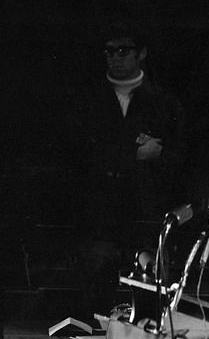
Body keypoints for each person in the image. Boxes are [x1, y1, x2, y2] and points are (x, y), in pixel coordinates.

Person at [73, 21, 187, 312]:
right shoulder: (88, 100)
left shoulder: (164, 103)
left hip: (146, 211)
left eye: (124, 50)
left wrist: (155, 155)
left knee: (148, 294)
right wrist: (134, 153)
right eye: (109, 51)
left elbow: (179, 157)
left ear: (141, 53)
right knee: (95, 300)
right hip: (100, 214)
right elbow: (80, 154)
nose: (115, 57)